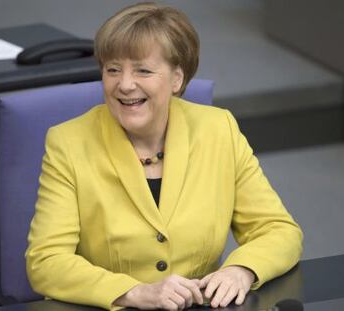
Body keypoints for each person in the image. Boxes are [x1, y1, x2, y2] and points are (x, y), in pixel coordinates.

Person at [26, 2, 303, 310]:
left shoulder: (218, 129)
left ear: (177, 79)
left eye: (143, 70)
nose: (125, 84)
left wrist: (242, 270)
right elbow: (46, 262)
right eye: (113, 69)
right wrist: (134, 292)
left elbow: (279, 231)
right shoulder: (68, 142)